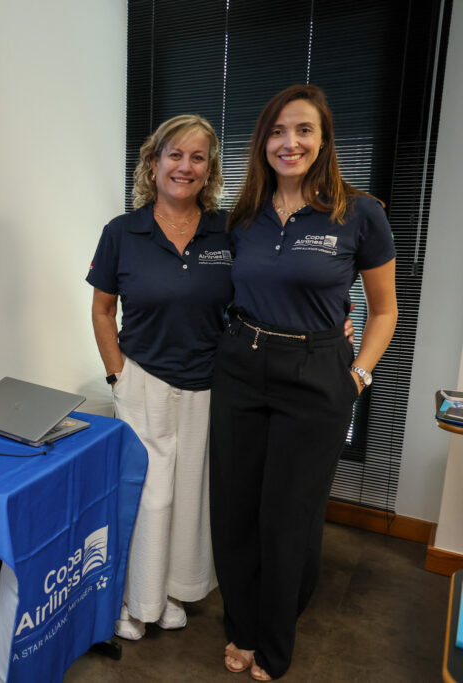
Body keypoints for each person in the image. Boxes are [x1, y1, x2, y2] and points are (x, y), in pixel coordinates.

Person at [209, 84, 397, 680]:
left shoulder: (359, 213)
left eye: (304, 130)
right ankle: (240, 626)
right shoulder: (243, 216)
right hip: (242, 364)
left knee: (289, 516)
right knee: (235, 510)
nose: (290, 142)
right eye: (278, 132)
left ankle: (275, 640)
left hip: (317, 375)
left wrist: (358, 374)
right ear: (262, 142)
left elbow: (386, 309)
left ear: (323, 139)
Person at [86, 114, 230, 640]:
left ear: (209, 168)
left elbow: (262, 294)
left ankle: (171, 594)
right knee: (149, 494)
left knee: (190, 495)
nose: (185, 166)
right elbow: (102, 311)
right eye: (175, 154)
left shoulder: (227, 230)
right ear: (153, 161)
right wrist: (117, 375)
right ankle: (134, 600)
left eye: (197, 157)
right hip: (143, 378)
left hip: (209, 383)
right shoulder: (123, 232)